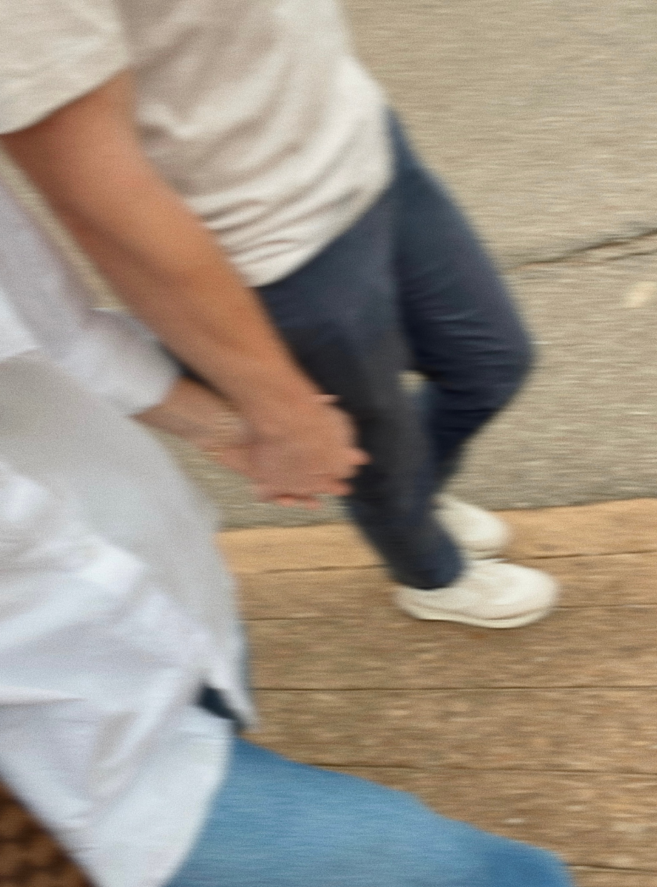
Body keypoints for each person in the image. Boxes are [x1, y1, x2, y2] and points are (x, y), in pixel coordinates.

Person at [0, 182, 657, 887]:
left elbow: (58, 330)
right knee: (394, 859)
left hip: (150, 571)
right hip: (52, 789)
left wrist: (241, 426)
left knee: (267, 792)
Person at [0, 0, 558, 629]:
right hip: (268, 245)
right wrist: (274, 406)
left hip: (360, 137)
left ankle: (413, 499)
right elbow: (94, 192)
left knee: (491, 362)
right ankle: (429, 571)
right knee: (369, 452)